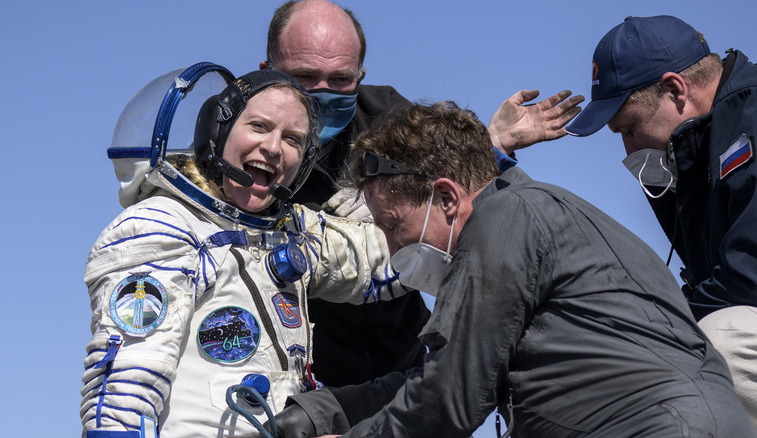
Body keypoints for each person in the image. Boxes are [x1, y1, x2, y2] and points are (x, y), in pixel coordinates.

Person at [271, 102, 756, 438]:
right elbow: (446, 372)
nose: (392, 247)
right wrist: (328, 408)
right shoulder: (538, 215)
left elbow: (445, 401)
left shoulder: (504, 224)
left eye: (394, 226)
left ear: (446, 196)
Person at [259, 0, 584, 388]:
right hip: (300, 366)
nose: (322, 92)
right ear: (267, 71)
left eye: (341, 79)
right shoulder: (240, 139)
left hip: (401, 355)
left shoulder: (386, 116)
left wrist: (492, 145)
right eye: (305, 75)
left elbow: (455, 186)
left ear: (361, 76)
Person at [80, 65, 407, 437]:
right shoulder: (163, 225)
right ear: (217, 132)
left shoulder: (291, 232)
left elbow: (386, 261)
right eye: (259, 126)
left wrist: (395, 210)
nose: (272, 148)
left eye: (293, 140)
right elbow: (125, 393)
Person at [562, 15, 757, 427]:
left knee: (718, 343)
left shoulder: (751, 117)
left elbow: (749, 275)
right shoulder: (698, 145)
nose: (627, 146)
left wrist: (637, 334)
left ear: (675, 89)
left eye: (629, 128)